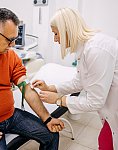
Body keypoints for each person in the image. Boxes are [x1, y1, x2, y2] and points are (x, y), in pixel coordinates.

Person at [0, 8, 64, 150]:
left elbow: (27, 89)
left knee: (51, 134)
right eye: (10, 40)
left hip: (11, 116)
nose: (13, 45)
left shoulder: (11, 56)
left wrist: (48, 118)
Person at [32, 7, 118, 150]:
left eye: (55, 33)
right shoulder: (85, 48)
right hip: (110, 110)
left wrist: (59, 100)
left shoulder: (96, 50)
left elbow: (94, 102)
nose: (55, 39)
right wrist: (51, 88)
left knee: (106, 143)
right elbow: (80, 81)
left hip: (113, 107)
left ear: (67, 30)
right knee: (105, 141)